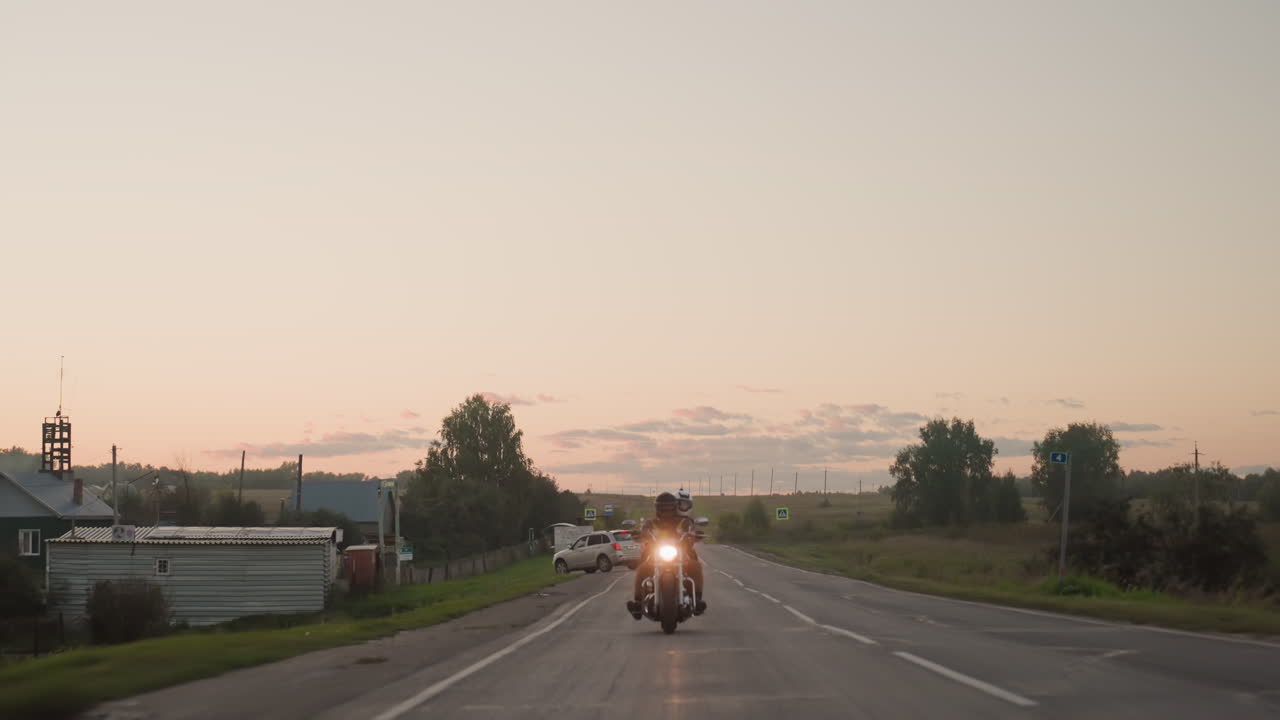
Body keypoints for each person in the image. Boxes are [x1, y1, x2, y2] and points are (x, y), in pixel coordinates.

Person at [627, 491, 707, 619]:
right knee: (642, 569)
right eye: (663, 508)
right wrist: (639, 534)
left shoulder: (684, 522)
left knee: (696, 566)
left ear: (675, 507)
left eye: (669, 508)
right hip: (655, 557)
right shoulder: (650, 523)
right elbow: (643, 532)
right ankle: (637, 603)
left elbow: (691, 532)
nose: (666, 511)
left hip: (681, 556)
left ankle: (697, 601)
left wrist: (694, 535)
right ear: (657, 508)